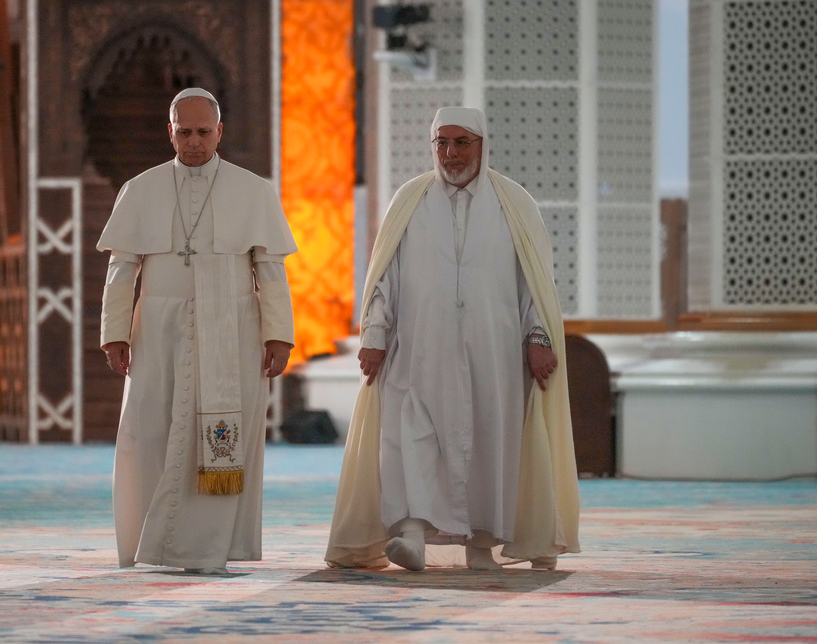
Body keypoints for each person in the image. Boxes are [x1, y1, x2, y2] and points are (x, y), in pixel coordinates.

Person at [325, 107, 580, 571]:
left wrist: (538, 337)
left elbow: (534, 282)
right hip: (419, 349)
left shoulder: (514, 203)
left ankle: (480, 546)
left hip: (494, 353)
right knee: (411, 436)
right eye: (442, 142)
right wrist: (375, 335)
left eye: (461, 142)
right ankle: (412, 533)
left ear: (482, 145)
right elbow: (385, 277)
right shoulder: (410, 199)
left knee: (486, 444)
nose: (451, 153)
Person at [97, 87, 297, 575]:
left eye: (203, 132)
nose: (193, 142)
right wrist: (114, 333)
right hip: (158, 328)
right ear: (169, 132)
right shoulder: (139, 190)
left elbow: (270, 270)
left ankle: (207, 546)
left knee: (219, 436)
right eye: (183, 132)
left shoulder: (252, 191)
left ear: (219, 131)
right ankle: (154, 542)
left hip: (230, 326)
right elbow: (122, 269)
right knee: (151, 433)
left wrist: (279, 334)